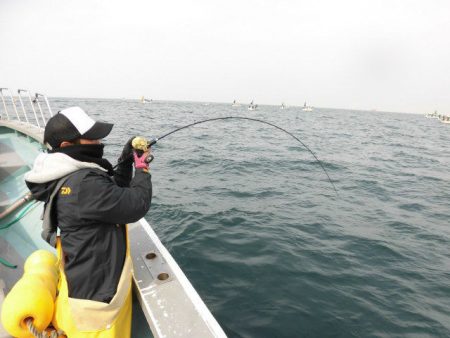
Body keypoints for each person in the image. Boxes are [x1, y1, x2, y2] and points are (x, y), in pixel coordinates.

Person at [24, 106, 152, 337]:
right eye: (91, 137)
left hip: (82, 282)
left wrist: (125, 160)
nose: (99, 141)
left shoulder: (67, 173)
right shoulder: (83, 184)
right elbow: (135, 204)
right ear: (66, 145)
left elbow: (111, 191)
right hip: (96, 304)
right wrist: (142, 169)